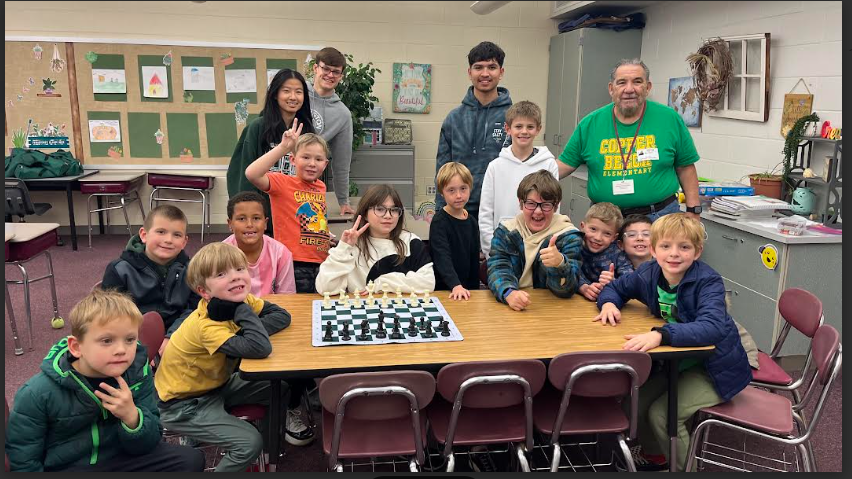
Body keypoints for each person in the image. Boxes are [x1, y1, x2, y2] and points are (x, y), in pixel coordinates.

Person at [594, 213, 752, 471]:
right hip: (679, 362)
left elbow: (712, 327)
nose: (674, 254)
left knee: (663, 415)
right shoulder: (649, 272)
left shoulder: (708, 281)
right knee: (634, 402)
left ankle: (684, 468)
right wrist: (609, 302)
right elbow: (617, 288)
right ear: (654, 250)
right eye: (666, 246)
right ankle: (657, 456)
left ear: (697, 252)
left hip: (715, 368)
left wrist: (660, 335)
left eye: (684, 247)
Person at [5, 289, 205, 472]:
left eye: (129, 340)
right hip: (71, 467)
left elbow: (150, 442)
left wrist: (132, 418)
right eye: (107, 340)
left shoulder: (137, 372)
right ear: (76, 347)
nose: (121, 350)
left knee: (190, 460)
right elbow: (23, 459)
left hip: (122, 458)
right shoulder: (37, 392)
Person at [155, 243, 293, 472]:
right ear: (204, 291)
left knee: (279, 388)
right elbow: (260, 348)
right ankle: (248, 454)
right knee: (249, 444)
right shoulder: (207, 325)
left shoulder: (239, 300)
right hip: (183, 403)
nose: (235, 278)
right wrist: (245, 320)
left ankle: (269, 456)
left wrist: (244, 330)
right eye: (221, 274)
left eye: (239, 269)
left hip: (216, 385)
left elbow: (281, 316)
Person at [556, 59, 702, 222]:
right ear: (612, 89)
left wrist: (694, 210)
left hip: (659, 217)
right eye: (622, 82)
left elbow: (685, 167)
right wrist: (525, 170)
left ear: (647, 87)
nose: (629, 89)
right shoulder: (590, 123)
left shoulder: (669, 119)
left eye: (637, 82)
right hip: (606, 221)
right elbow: (563, 166)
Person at [101, 205, 200, 358]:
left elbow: (196, 309)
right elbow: (111, 315)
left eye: (177, 235)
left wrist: (173, 336)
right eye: (161, 232)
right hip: (133, 337)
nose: (168, 240)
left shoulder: (192, 270)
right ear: (144, 234)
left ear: (185, 241)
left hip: (179, 333)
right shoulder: (119, 269)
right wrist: (140, 344)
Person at [227, 69, 316, 237]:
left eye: (299, 92)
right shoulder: (257, 128)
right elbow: (243, 174)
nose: (293, 97)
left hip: (296, 215)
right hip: (266, 218)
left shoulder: (308, 131)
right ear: (275, 94)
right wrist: (249, 215)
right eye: (286, 91)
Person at [245, 122, 331, 294]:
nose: (312, 163)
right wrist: (284, 147)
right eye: (305, 157)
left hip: (322, 260)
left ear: (325, 164)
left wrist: (325, 235)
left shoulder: (321, 186)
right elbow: (252, 173)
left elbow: (314, 217)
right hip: (295, 262)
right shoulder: (283, 182)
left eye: (318, 159)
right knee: (299, 310)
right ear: (292, 160)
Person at [435, 41, 513, 221]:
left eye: (492, 67)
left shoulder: (514, 118)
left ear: (501, 72)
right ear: (470, 72)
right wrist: (441, 211)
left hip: (501, 211)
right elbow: (442, 169)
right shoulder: (454, 119)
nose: (485, 73)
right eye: (478, 67)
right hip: (459, 211)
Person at [487, 170, 583, 311]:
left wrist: (560, 265)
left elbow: (567, 290)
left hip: (551, 308)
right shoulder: (506, 231)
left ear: (556, 207)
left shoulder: (569, 237)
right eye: (531, 204)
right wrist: (508, 292)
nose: (538, 211)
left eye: (546, 205)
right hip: (512, 305)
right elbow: (497, 268)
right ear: (521, 204)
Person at [316, 184, 434, 294]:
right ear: (365, 213)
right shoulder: (352, 245)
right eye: (380, 209)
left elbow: (428, 282)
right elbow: (326, 288)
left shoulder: (411, 241)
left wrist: (382, 283)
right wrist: (342, 249)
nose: (388, 215)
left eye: (394, 210)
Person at [479, 100, 558, 256]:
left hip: (537, 246)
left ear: (538, 129)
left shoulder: (549, 164)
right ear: (507, 129)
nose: (524, 131)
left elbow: (554, 210)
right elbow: (486, 213)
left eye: (530, 127)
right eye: (518, 126)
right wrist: (491, 250)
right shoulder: (495, 166)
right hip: (502, 245)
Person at [309, 47, 355, 215]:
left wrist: (343, 201)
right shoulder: (296, 95)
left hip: (307, 184)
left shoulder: (342, 114)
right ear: (315, 68)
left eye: (336, 72)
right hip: (278, 177)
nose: (330, 75)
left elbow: (342, 163)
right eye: (325, 68)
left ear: (341, 76)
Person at [223, 191, 296, 295]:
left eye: (256, 218)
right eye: (242, 219)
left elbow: (287, 296)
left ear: (265, 223)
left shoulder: (281, 253)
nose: (249, 224)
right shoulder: (220, 255)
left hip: (272, 310)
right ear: (230, 224)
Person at [429, 162, 480, 299]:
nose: (458, 195)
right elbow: (442, 258)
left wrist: (475, 289)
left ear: (470, 188)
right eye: (451, 190)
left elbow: (474, 260)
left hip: (467, 291)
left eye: (463, 188)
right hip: (445, 290)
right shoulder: (439, 222)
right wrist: (455, 285)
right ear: (441, 193)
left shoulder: (472, 222)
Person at [577, 202, 635, 302]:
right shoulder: (575, 246)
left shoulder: (618, 254)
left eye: (607, 234)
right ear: (582, 226)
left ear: (614, 237)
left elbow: (630, 280)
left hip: (611, 302)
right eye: (593, 229)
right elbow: (568, 272)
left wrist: (614, 282)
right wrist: (583, 287)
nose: (598, 238)